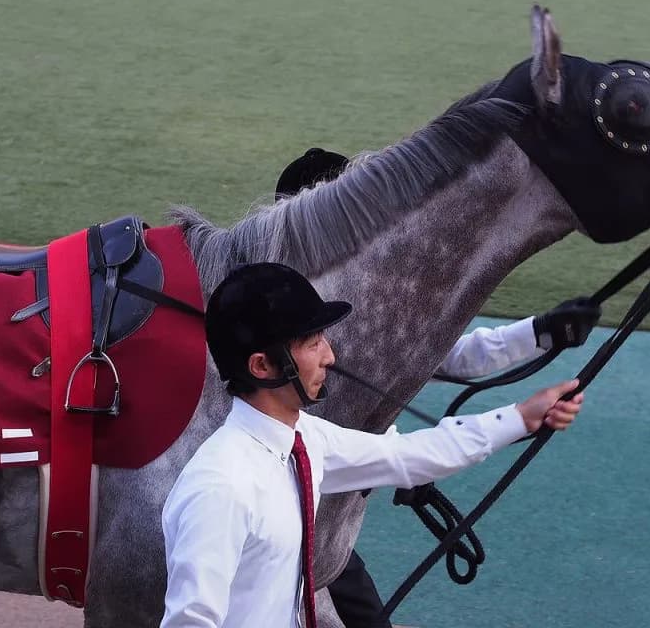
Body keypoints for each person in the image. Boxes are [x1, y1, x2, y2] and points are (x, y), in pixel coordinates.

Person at [275, 147, 601, 628]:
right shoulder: (302, 317)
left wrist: (541, 332)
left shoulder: (327, 299)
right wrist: (520, 416)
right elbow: (399, 454)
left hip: (326, 519)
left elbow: (436, 357)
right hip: (305, 526)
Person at [160, 262, 586, 628]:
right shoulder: (221, 488)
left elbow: (410, 457)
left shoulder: (305, 438)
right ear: (263, 366)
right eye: (312, 343)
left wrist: (521, 417)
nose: (329, 356)